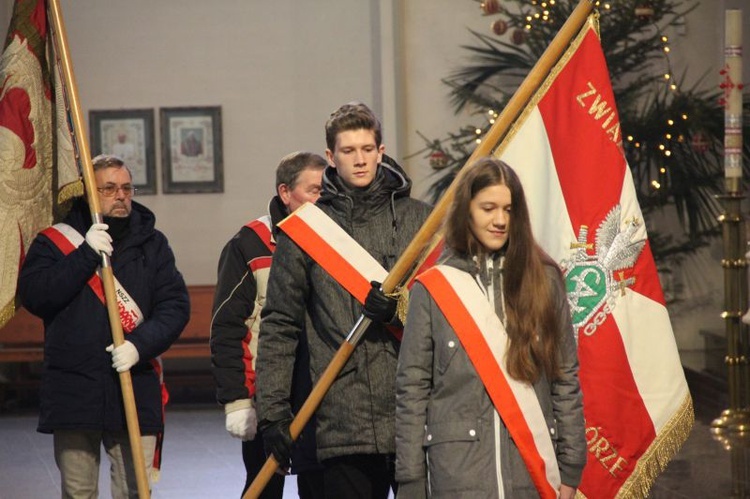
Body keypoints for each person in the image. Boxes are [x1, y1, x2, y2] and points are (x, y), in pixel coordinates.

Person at [255, 102, 432, 499]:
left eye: (367, 149)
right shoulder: (305, 232)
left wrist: (401, 310)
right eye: (349, 151)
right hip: (341, 416)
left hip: (415, 411)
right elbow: (279, 325)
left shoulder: (421, 222)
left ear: (381, 152)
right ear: (331, 158)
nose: (360, 160)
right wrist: (272, 413)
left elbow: (447, 309)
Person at [394, 158, 586, 498]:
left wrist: (571, 469)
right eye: (488, 208)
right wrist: (410, 481)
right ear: (466, 211)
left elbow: (565, 377)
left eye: (508, 210)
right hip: (457, 476)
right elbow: (412, 391)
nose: (500, 220)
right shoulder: (432, 289)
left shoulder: (545, 280)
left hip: (531, 470)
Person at [18, 154, 190, 498]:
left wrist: (139, 345)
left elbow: (174, 307)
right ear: (88, 193)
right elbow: (36, 296)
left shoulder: (153, 244)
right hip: (74, 388)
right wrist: (84, 254)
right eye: (109, 188)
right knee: (78, 492)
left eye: (126, 188)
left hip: (134, 382)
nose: (121, 195)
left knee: (134, 491)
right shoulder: (54, 242)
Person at [210, 151, 328, 498]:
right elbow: (228, 328)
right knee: (264, 488)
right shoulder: (250, 243)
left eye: (326, 191)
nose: (323, 200)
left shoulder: (337, 241)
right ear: (285, 192)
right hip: (268, 395)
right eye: (315, 191)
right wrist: (237, 400)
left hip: (320, 394)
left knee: (319, 486)